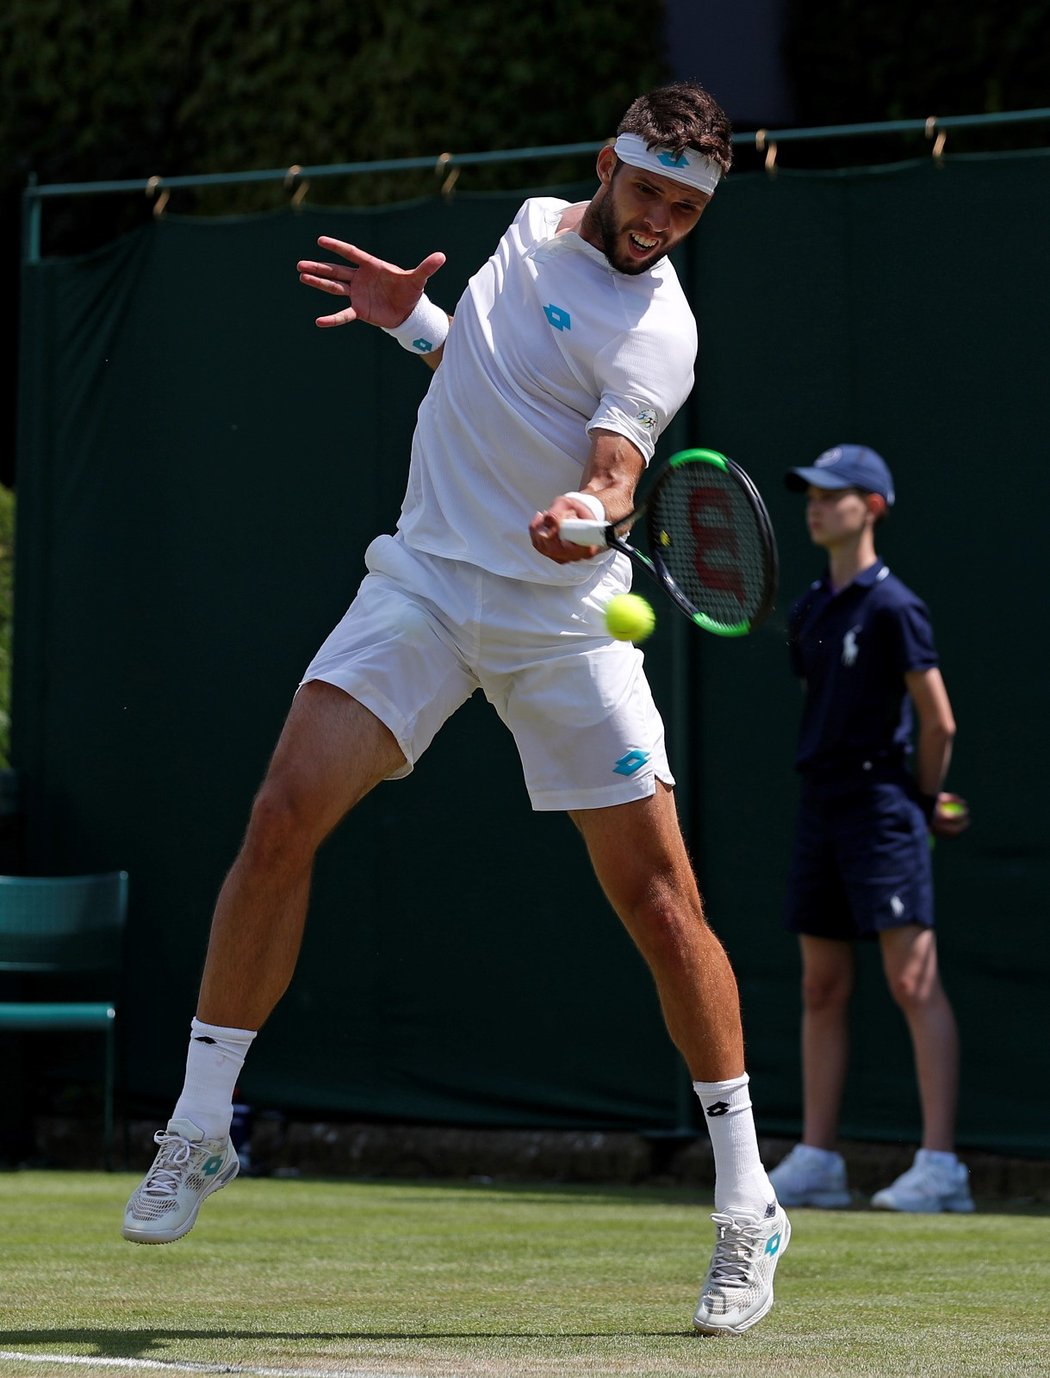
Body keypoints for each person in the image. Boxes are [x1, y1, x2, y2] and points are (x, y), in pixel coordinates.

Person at [122, 83, 789, 1333]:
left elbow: (613, 471)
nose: (659, 223)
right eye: (649, 192)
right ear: (608, 165)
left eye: (687, 209)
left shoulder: (660, 334)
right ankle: (202, 1127)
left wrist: (590, 518)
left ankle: (749, 1202)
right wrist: (415, 320)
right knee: (281, 816)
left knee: (661, 903)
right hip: (425, 586)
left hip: (562, 621)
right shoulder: (536, 222)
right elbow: (494, 377)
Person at [769, 444, 973, 1214]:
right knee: (821, 985)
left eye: (834, 494)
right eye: (810, 495)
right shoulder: (810, 608)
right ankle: (819, 1158)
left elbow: (938, 720)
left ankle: (942, 1168)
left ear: (873, 506)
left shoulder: (896, 607)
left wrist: (922, 801)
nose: (816, 506)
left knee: (911, 981)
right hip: (819, 802)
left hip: (883, 806)